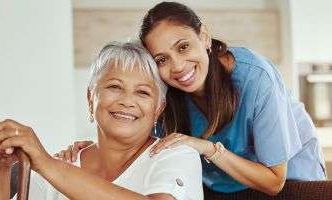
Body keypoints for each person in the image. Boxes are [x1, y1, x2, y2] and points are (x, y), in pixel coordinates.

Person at [58, 1, 327, 197]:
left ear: (204, 36)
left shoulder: (255, 78)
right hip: (220, 186)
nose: (177, 66)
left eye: (183, 47)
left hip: (286, 180)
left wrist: (208, 148)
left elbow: (274, 182)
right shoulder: (166, 91)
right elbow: (134, 139)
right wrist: (92, 152)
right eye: (162, 59)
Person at [0, 41, 203, 200]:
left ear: (158, 108)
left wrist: (46, 163)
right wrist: (1, 169)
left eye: (142, 92)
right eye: (114, 87)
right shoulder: (61, 165)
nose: (127, 101)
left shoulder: (177, 155)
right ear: (90, 97)